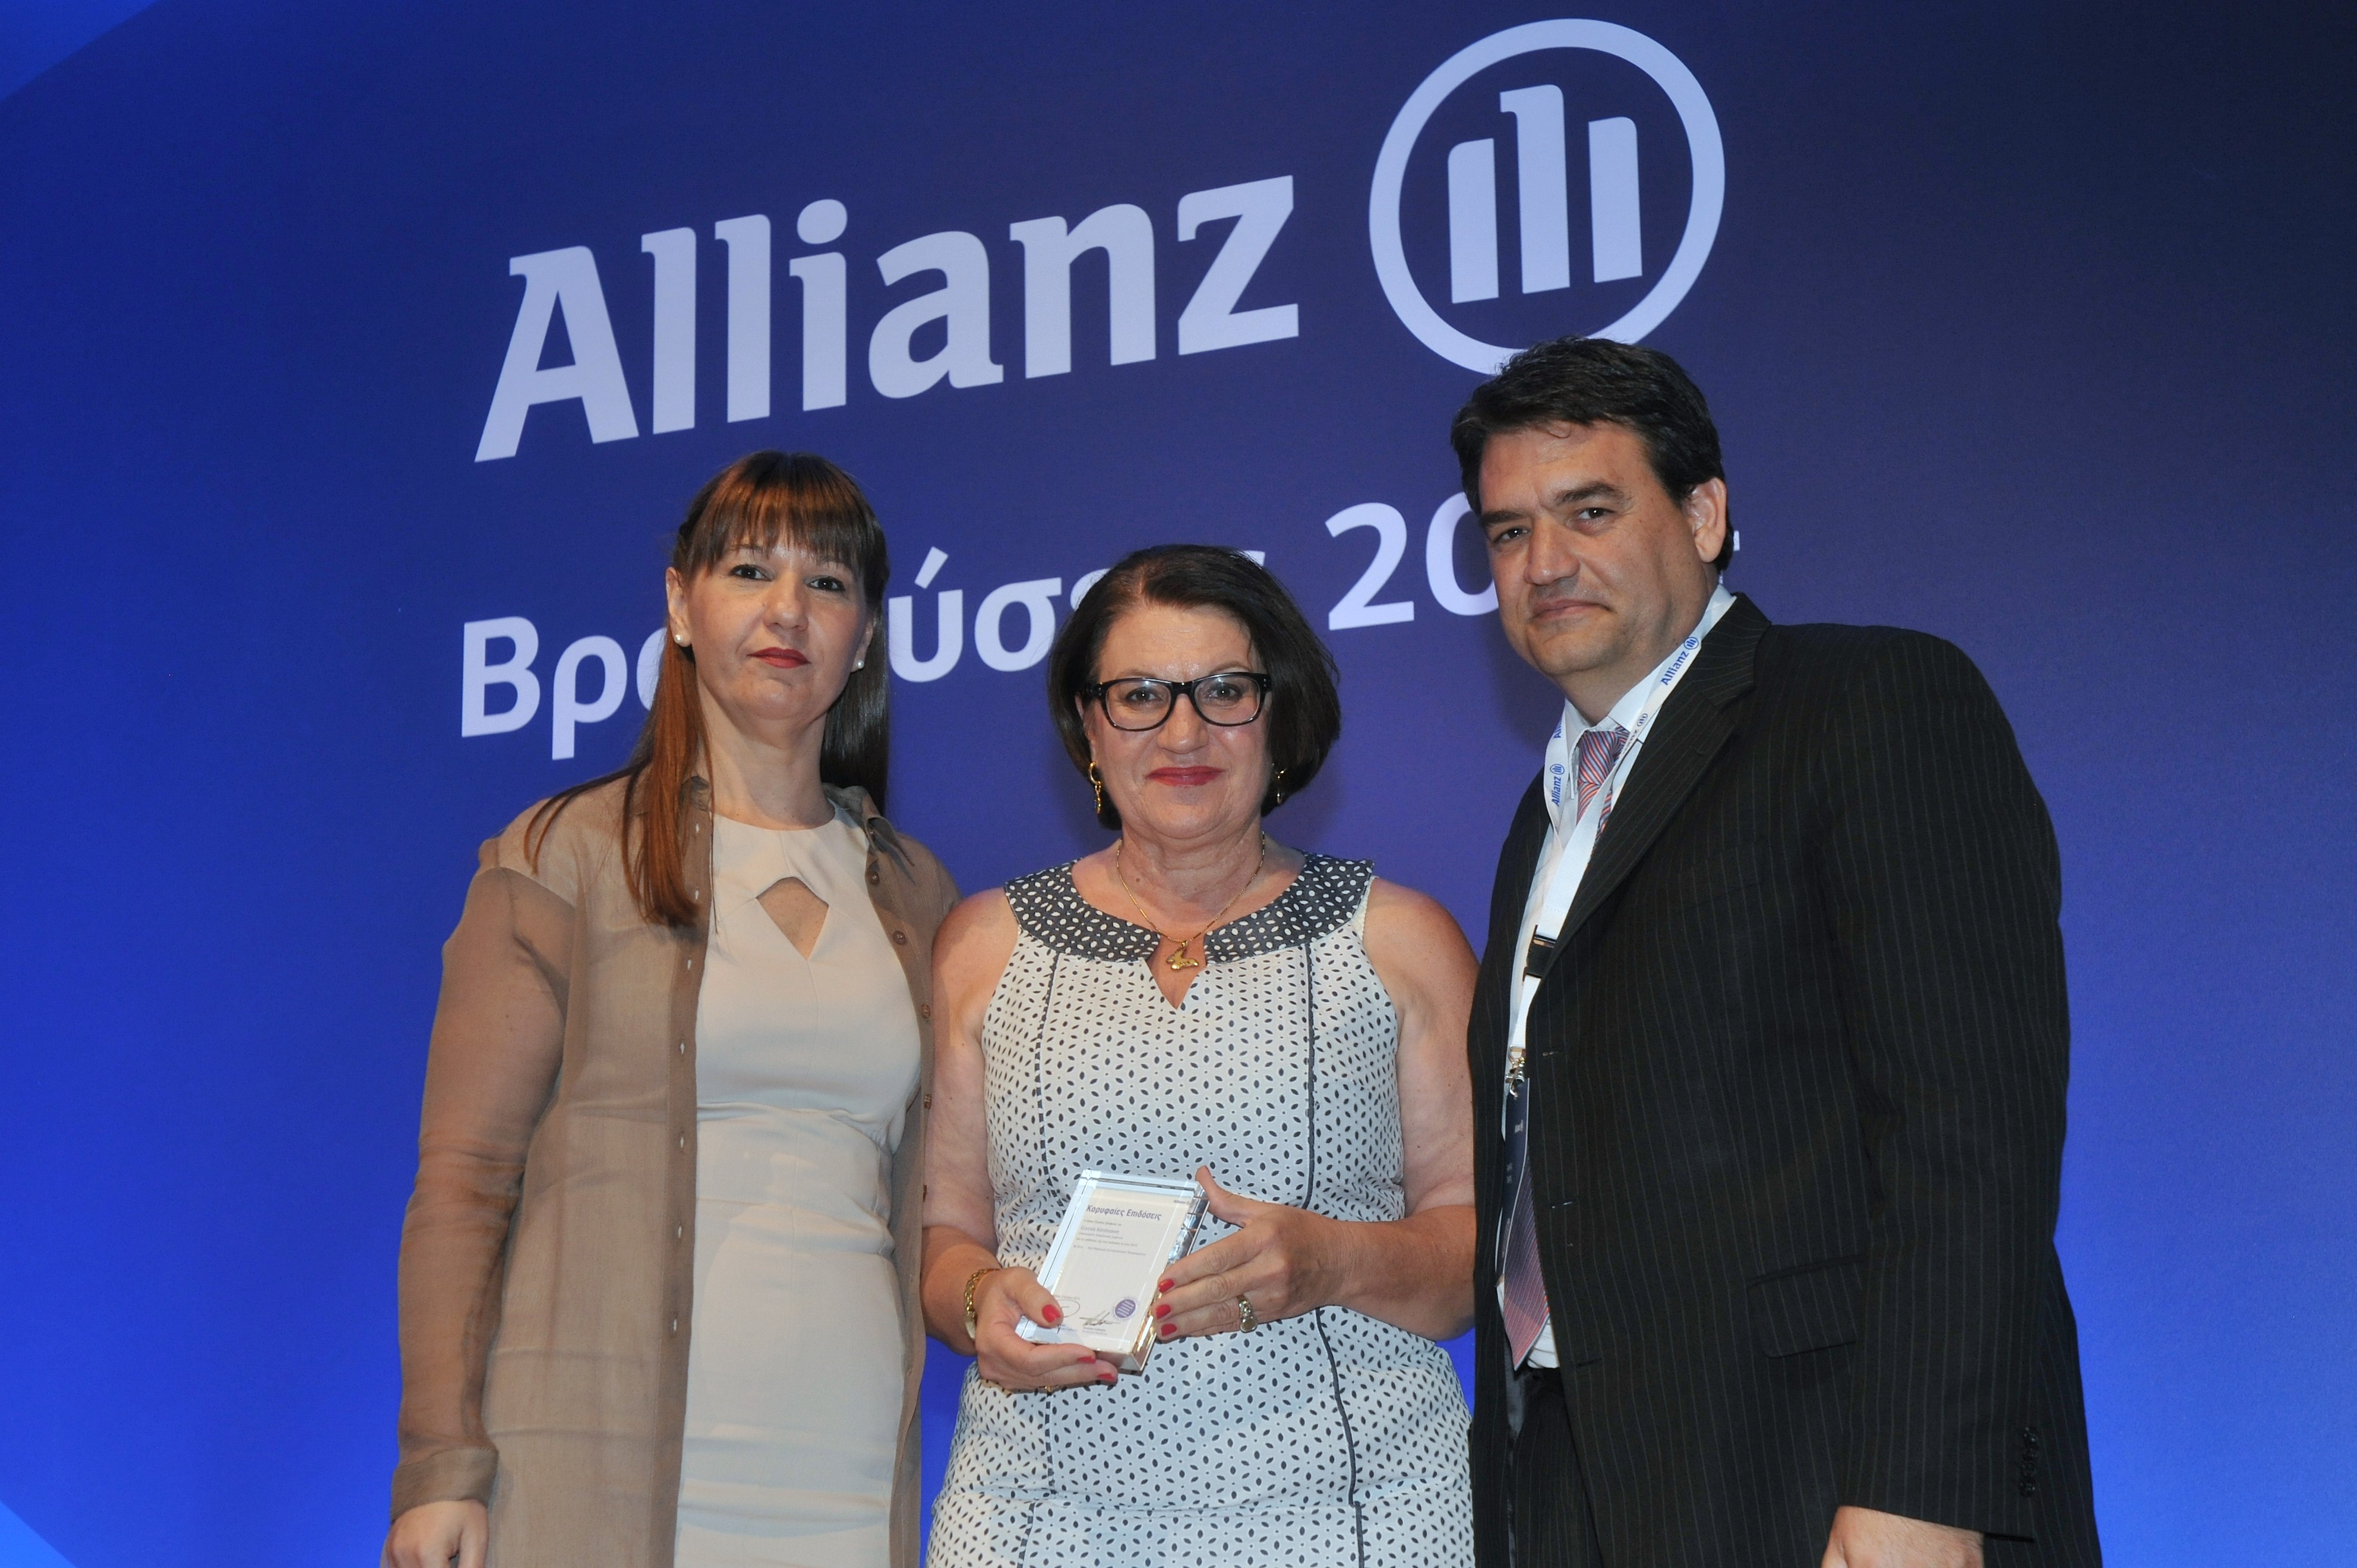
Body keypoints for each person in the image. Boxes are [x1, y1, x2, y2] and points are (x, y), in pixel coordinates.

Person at [1452, 337, 2100, 1568]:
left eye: (1590, 511)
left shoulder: (1871, 702)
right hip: (1585, 1482)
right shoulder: (1546, 813)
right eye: (1507, 532)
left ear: (1704, 515)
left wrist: (1921, 1484)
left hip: (1830, 1476)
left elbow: (1969, 1130)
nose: (1544, 564)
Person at [383, 452, 958, 1568]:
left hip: (842, 1475)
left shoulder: (915, 891)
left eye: (829, 583)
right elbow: (464, 1182)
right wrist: (440, 1464)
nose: (788, 610)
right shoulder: (563, 855)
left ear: (866, 637)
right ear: (680, 605)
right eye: (749, 571)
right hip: (589, 1470)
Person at [920, 545, 1479, 1567]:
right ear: (1088, 727)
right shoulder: (983, 946)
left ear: (1280, 714)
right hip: (1040, 1516)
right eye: (1140, 695)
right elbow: (943, 1233)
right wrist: (975, 1301)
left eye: (1225, 691)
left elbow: (1479, 1255)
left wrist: (1337, 1260)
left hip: (1360, 1513)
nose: (1184, 732)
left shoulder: (1401, 940)